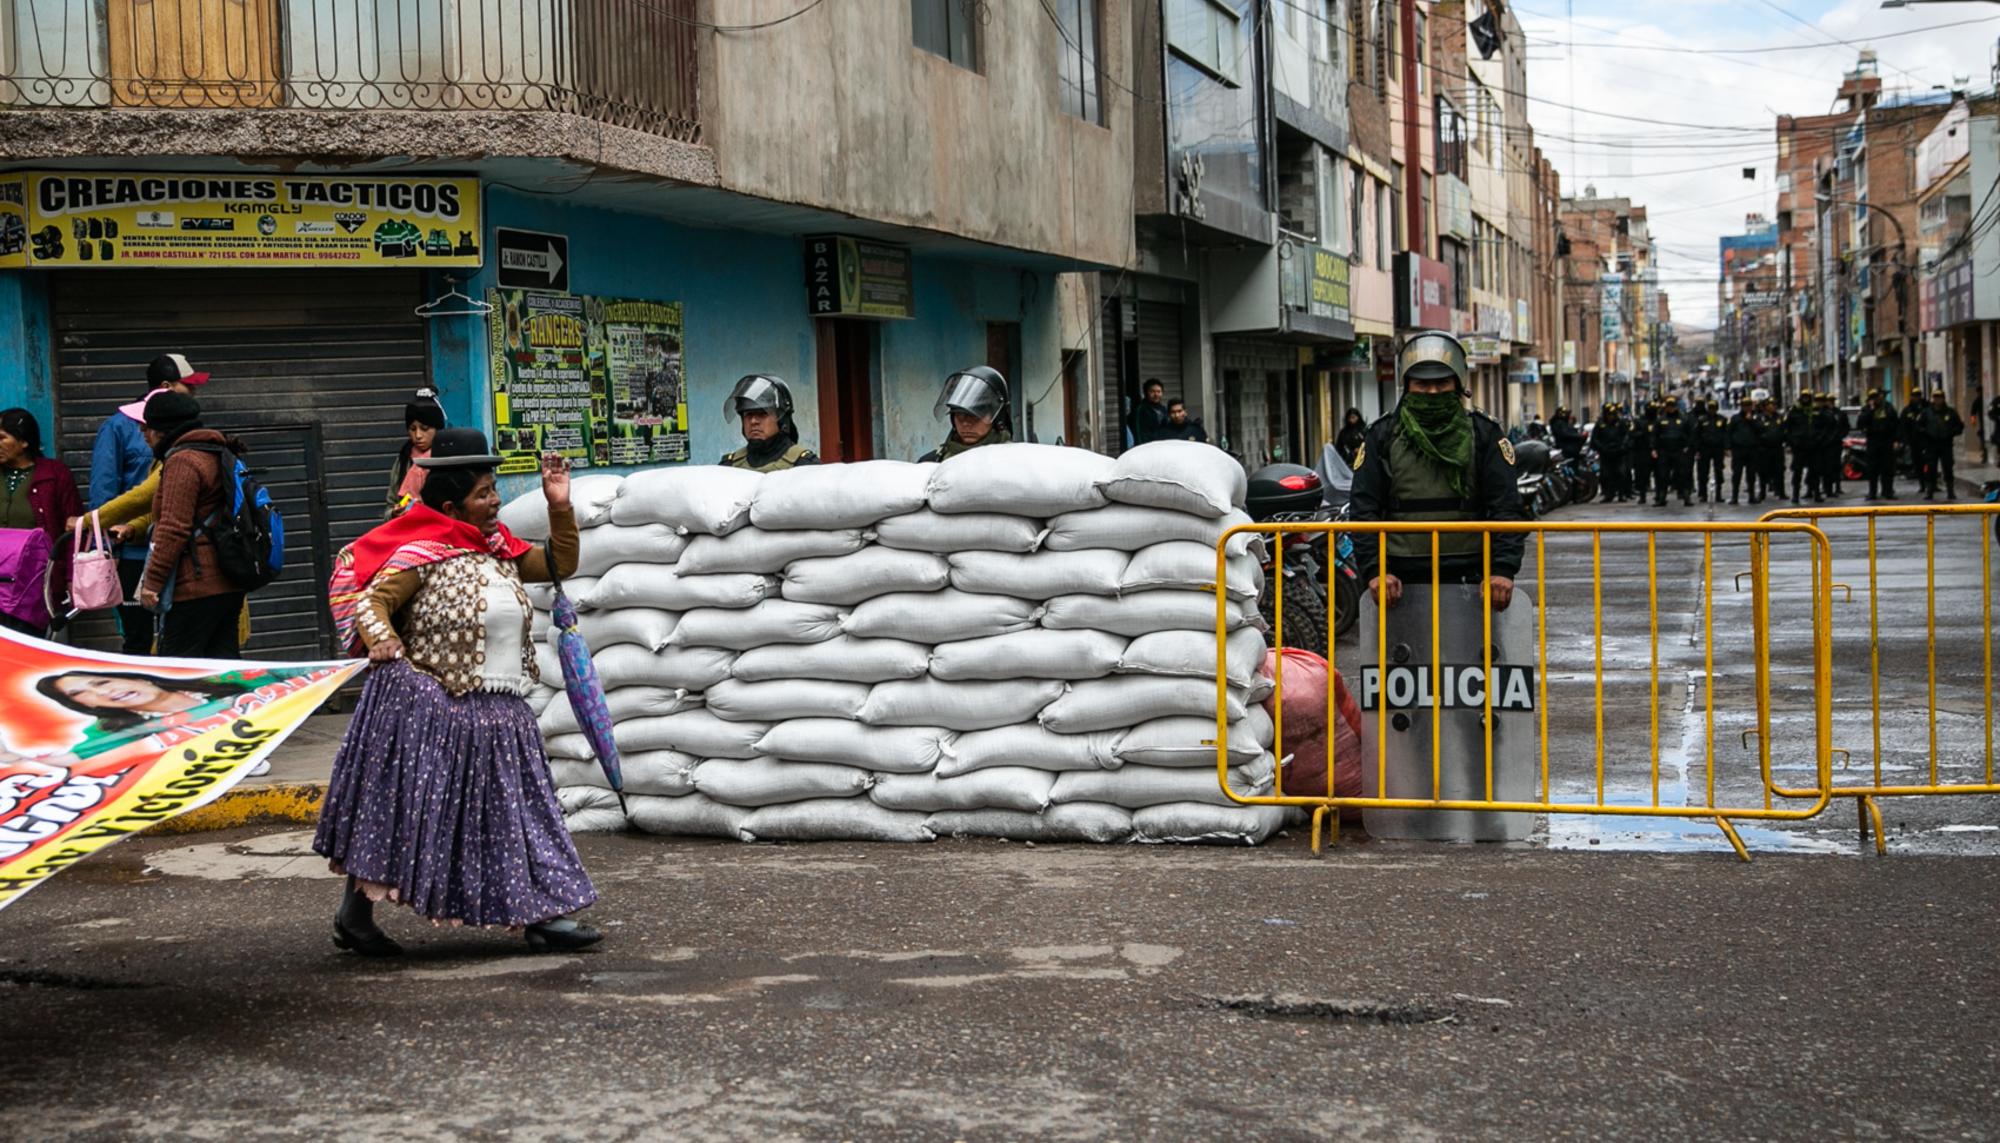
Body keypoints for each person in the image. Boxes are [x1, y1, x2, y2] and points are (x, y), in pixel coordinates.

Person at [315, 433, 598, 956]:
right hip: (437, 713)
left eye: (493, 491)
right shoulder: (422, 555)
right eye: (484, 493)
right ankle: (354, 918)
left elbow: (561, 564)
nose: (495, 502)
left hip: (503, 714)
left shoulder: (501, 552)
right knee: (401, 813)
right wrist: (384, 643)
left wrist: (560, 506)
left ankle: (544, 915)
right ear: (451, 507)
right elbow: (370, 606)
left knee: (523, 817)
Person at [1349, 331, 1523, 613]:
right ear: (1407, 385)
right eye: (1422, 384)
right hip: (1400, 581)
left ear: (1458, 384)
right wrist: (1375, 571)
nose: (1432, 392)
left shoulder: (1484, 433)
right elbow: (1363, 509)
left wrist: (1503, 569)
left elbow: (1506, 506)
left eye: (1441, 383)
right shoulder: (1382, 435)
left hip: (1473, 578)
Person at [91, 355, 205, 653]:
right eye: (188, 387)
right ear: (166, 386)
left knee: (180, 634)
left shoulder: (190, 434)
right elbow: (105, 489)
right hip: (133, 552)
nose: (194, 394)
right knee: (138, 637)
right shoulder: (118, 427)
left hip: (178, 549)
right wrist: (107, 547)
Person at [134, 392, 247, 659]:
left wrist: (152, 582)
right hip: (228, 581)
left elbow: (173, 528)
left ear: (163, 430)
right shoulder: (218, 453)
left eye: (147, 429)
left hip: (195, 585)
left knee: (178, 673)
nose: (144, 436)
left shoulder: (183, 461)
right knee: (222, 672)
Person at [0, 408, 82, 638]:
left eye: (2, 437)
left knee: (33, 644)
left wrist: (71, 577)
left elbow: (73, 529)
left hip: (37, 582)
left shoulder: (55, 474)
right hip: (1, 579)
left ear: (24, 441)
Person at [720, 374, 820, 471]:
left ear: (781, 419)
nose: (753, 421)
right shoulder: (729, 466)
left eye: (762, 414)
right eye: (748, 414)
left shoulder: (805, 465)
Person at [919, 366, 1012, 462]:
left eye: (976, 415)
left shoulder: (1014, 460)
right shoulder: (933, 461)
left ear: (998, 418)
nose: (966, 423)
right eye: (960, 415)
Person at [384, 387, 446, 517]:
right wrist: (394, 514)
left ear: (437, 429)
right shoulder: (404, 460)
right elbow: (390, 505)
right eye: (412, 429)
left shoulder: (447, 459)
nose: (418, 435)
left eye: (424, 428)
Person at [1858, 389, 1900, 501]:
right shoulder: (1867, 409)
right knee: (1872, 469)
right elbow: (1860, 423)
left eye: (1876, 397)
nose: (1875, 400)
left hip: (1886, 441)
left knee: (1887, 468)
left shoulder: (1888, 408)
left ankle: (1888, 491)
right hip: (1873, 442)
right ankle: (1872, 492)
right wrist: (1871, 410)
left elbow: (1896, 424)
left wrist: (1896, 440)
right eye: (1872, 398)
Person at [1651, 398, 1692, 508]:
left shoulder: (1683, 419)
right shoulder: (1660, 420)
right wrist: (1654, 449)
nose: (1670, 408)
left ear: (1676, 406)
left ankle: (1686, 497)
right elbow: (1654, 435)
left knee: (1682, 475)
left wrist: (1687, 447)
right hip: (1664, 451)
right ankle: (1661, 498)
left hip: (1679, 450)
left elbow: (1690, 434)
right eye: (1668, 406)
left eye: (1672, 406)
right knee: (1663, 476)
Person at [1926, 390, 1964, 501]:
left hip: (1946, 444)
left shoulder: (1950, 412)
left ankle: (1950, 492)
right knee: (1930, 468)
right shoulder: (1927, 412)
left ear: (1943, 398)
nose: (1937, 400)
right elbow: (1919, 426)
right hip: (1931, 445)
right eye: (1935, 397)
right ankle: (1929, 491)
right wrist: (1927, 434)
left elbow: (1959, 426)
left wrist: (1950, 432)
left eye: (1939, 397)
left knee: (1947, 467)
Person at [1589, 404, 1631, 502]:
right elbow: (1595, 439)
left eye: (1612, 414)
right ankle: (1609, 495)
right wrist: (1601, 447)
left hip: (1618, 453)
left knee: (1620, 474)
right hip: (1606, 453)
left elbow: (1627, 436)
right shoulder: (1600, 424)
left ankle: (1622, 495)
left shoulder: (1620, 423)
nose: (1611, 417)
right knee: (1606, 475)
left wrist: (1623, 446)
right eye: (1609, 414)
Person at [1727, 395, 1762, 505]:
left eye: (1749, 406)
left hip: (1752, 450)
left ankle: (1751, 496)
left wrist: (1751, 421)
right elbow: (1729, 432)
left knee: (1751, 474)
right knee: (1736, 474)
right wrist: (1727, 447)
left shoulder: (1756, 418)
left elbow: (1761, 430)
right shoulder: (1735, 419)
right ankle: (1734, 497)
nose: (1747, 408)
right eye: (1745, 406)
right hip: (1738, 450)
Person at [1899, 391, 1935, 499]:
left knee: (1930, 464)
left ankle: (1932, 485)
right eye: (1914, 395)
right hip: (1914, 442)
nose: (1917, 397)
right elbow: (1903, 426)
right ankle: (1922, 485)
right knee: (1918, 464)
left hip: (1927, 441)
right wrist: (1905, 442)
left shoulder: (1927, 408)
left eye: (1918, 395)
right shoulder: (1907, 411)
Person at [1785, 393, 1819, 504]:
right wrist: (1792, 442)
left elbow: (1823, 426)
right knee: (1797, 472)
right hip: (1799, 447)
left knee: (1814, 472)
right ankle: (1795, 495)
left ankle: (1816, 493)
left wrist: (1818, 439)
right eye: (1804, 398)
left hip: (1813, 447)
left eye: (1807, 398)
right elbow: (1787, 429)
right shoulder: (1794, 411)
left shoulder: (1815, 411)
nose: (1805, 400)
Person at [1814, 392, 1848, 497]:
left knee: (1834, 467)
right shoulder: (1815, 413)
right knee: (1820, 468)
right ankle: (1821, 489)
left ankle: (1834, 487)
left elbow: (1841, 427)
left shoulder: (1836, 413)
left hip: (1834, 444)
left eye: (1832, 401)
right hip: (1820, 445)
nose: (1830, 403)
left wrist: (1838, 436)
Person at [1695, 398, 1728, 503]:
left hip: (1718, 449)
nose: (1712, 410)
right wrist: (1697, 449)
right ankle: (1703, 494)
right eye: (1710, 408)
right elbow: (1697, 435)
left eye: (1714, 408)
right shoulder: (1702, 420)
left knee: (1718, 472)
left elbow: (1725, 434)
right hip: (1705, 449)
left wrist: (1726, 448)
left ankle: (1719, 494)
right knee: (1703, 472)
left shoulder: (1722, 419)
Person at [1130, 378, 1171, 446]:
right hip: (1148, 447)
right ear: (1146, 393)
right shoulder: (1141, 410)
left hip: (1163, 446)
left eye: (1159, 391)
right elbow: (1139, 434)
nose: (1156, 394)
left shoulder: (1163, 409)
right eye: (1152, 391)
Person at [1631, 401, 1655, 504]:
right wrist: (1642, 434)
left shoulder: (1659, 420)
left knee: (1660, 474)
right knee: (1642, 475)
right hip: (1642, 451)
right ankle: (1642, 495)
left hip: (1657, 450)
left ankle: (1660, 495)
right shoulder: (1639, 421)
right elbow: (1632, 434)